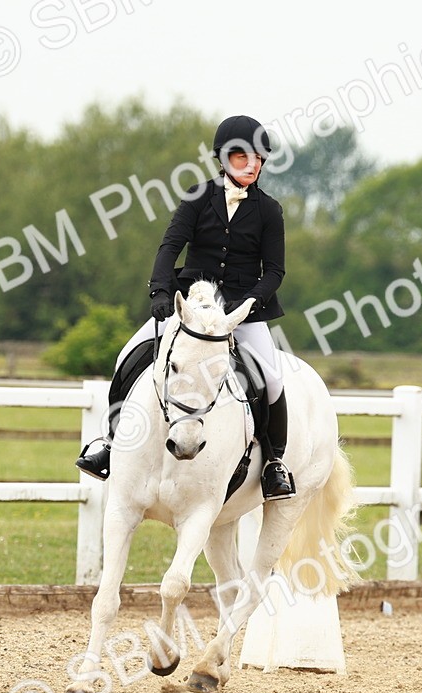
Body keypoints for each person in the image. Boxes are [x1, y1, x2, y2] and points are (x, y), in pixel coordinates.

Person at [75, 114, 296, 500]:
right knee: (128, 355)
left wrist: (248, 304)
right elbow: (170, 246)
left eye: (259, 159)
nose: (253, 165)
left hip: (242, 312)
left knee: (272, 379)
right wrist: (160, 292)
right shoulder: (198, 196)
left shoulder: (269, 210)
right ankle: (110, 443)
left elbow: (274, 270)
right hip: (191, 306)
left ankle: (273, 463)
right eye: (243, 157)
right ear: (223, 159)